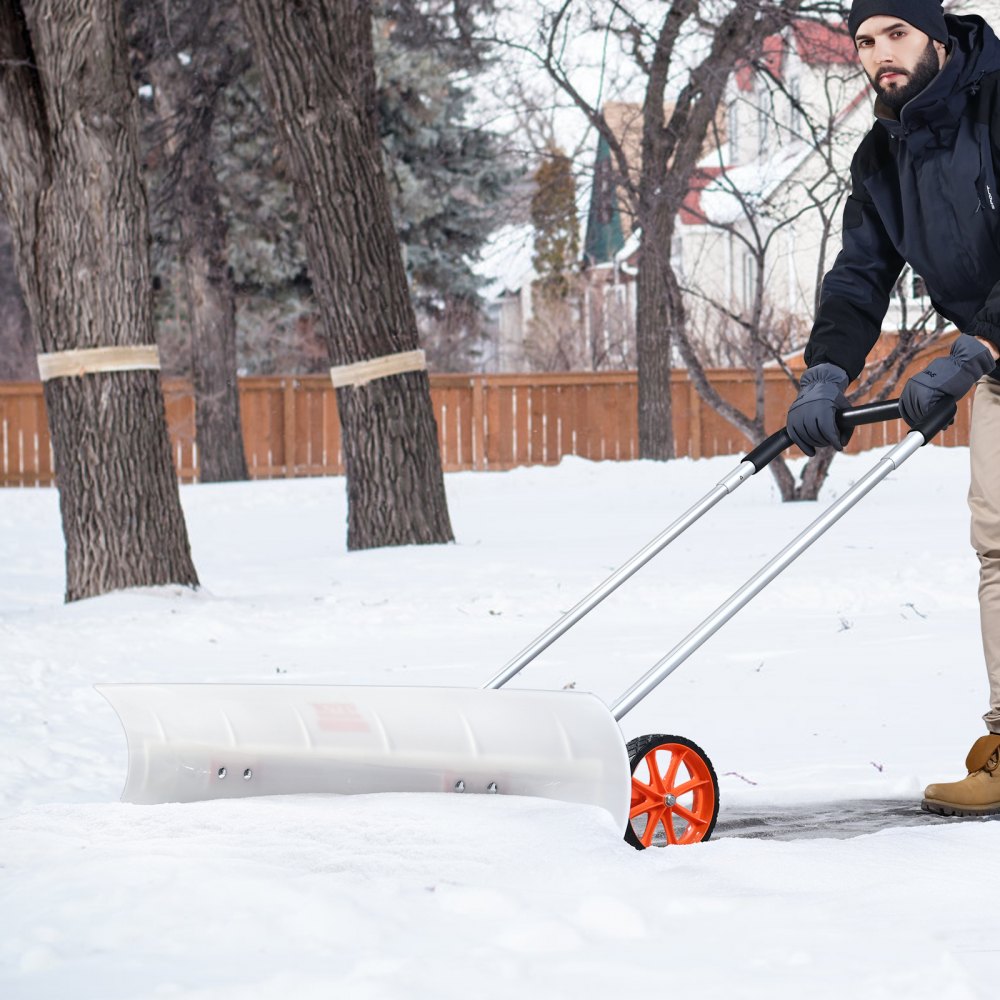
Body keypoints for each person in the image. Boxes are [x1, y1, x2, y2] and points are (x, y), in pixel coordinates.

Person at [785, 0, 1000, 815]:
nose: (881, 54)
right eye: (865, 41)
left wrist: (977, 348)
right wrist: (826, 374)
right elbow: (858, 276)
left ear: (937, 36)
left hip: (991, 347)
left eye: (896, 33)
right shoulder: (882, 156)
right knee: (999, 544)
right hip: (995, 359)